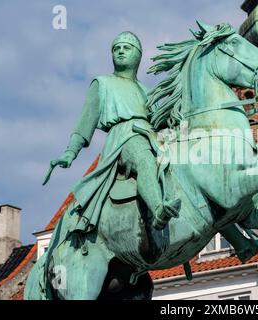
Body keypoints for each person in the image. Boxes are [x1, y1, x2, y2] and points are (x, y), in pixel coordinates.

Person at [49, 31, 180, 233]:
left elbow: (158, 123)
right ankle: (158, 210)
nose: (120, 51)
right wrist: (70, 152)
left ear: (138, 55)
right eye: (116, 48)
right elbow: (85, 122)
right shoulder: (102, 83)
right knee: (144, 159)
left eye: (126, 48)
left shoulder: (147, 91)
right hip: (124, 137)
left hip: (151, 137)